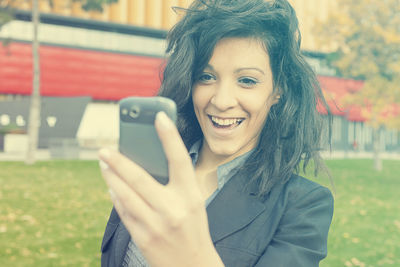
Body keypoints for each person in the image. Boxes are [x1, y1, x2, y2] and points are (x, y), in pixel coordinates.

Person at [99, 0, 334, 266]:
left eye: (247, 80)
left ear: (277, 91)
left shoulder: (303, 206)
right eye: (206, 77)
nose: (222, 101)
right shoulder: (151, 171)